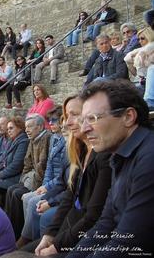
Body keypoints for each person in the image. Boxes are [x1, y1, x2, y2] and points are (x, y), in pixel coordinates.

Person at [66, 80, 154, 257]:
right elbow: (105, 223)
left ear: (128, 117)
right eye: (84, 120)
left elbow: (128, 241)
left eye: (93, 118)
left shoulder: (149, 157)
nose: (84, 128)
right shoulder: (119, 155)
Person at [22, 96, 112, 256]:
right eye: (65, 116)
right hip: (72, 223)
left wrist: (56, 245)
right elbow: (69, 196)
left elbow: (93, 216)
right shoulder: (80, 152)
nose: (67, 123)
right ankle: (25, 237)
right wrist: (50, 235)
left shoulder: (103, 155)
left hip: (86, 235)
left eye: (74, 115)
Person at [16, 107, 66, 247]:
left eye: (55, 120)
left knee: (31, 201)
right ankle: (29, 236)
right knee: (25, 197)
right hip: (52, 183)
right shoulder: (55, 138)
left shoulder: (58, 139)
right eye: (50, 121)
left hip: (59, 186)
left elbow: (59, 173)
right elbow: (49, 167)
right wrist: (44, 186)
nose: (51, 123)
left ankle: (29, 239)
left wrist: (47, 187)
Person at [4, 114, 52, 239]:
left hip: (41, 181)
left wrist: (31, 180)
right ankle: (9, 230)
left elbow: (42, 165)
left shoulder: (47, 138)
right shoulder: (32, 140)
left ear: (40, 127)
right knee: (12, 189)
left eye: (30, 127)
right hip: (32, 178)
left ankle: (18, 233)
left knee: (16, 193)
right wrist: (24, 178)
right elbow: (27, 162)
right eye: (26, 127)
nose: (27, 130)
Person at [0, 116, 29, 207]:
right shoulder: (13, 140)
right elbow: (3, 160)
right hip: (8, 173)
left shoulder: (23, 141)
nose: (9, 131)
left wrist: (0, 174)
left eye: (11, 128)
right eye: (8, 129)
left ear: (20, 127)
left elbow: (16, 165)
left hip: (17, 176)